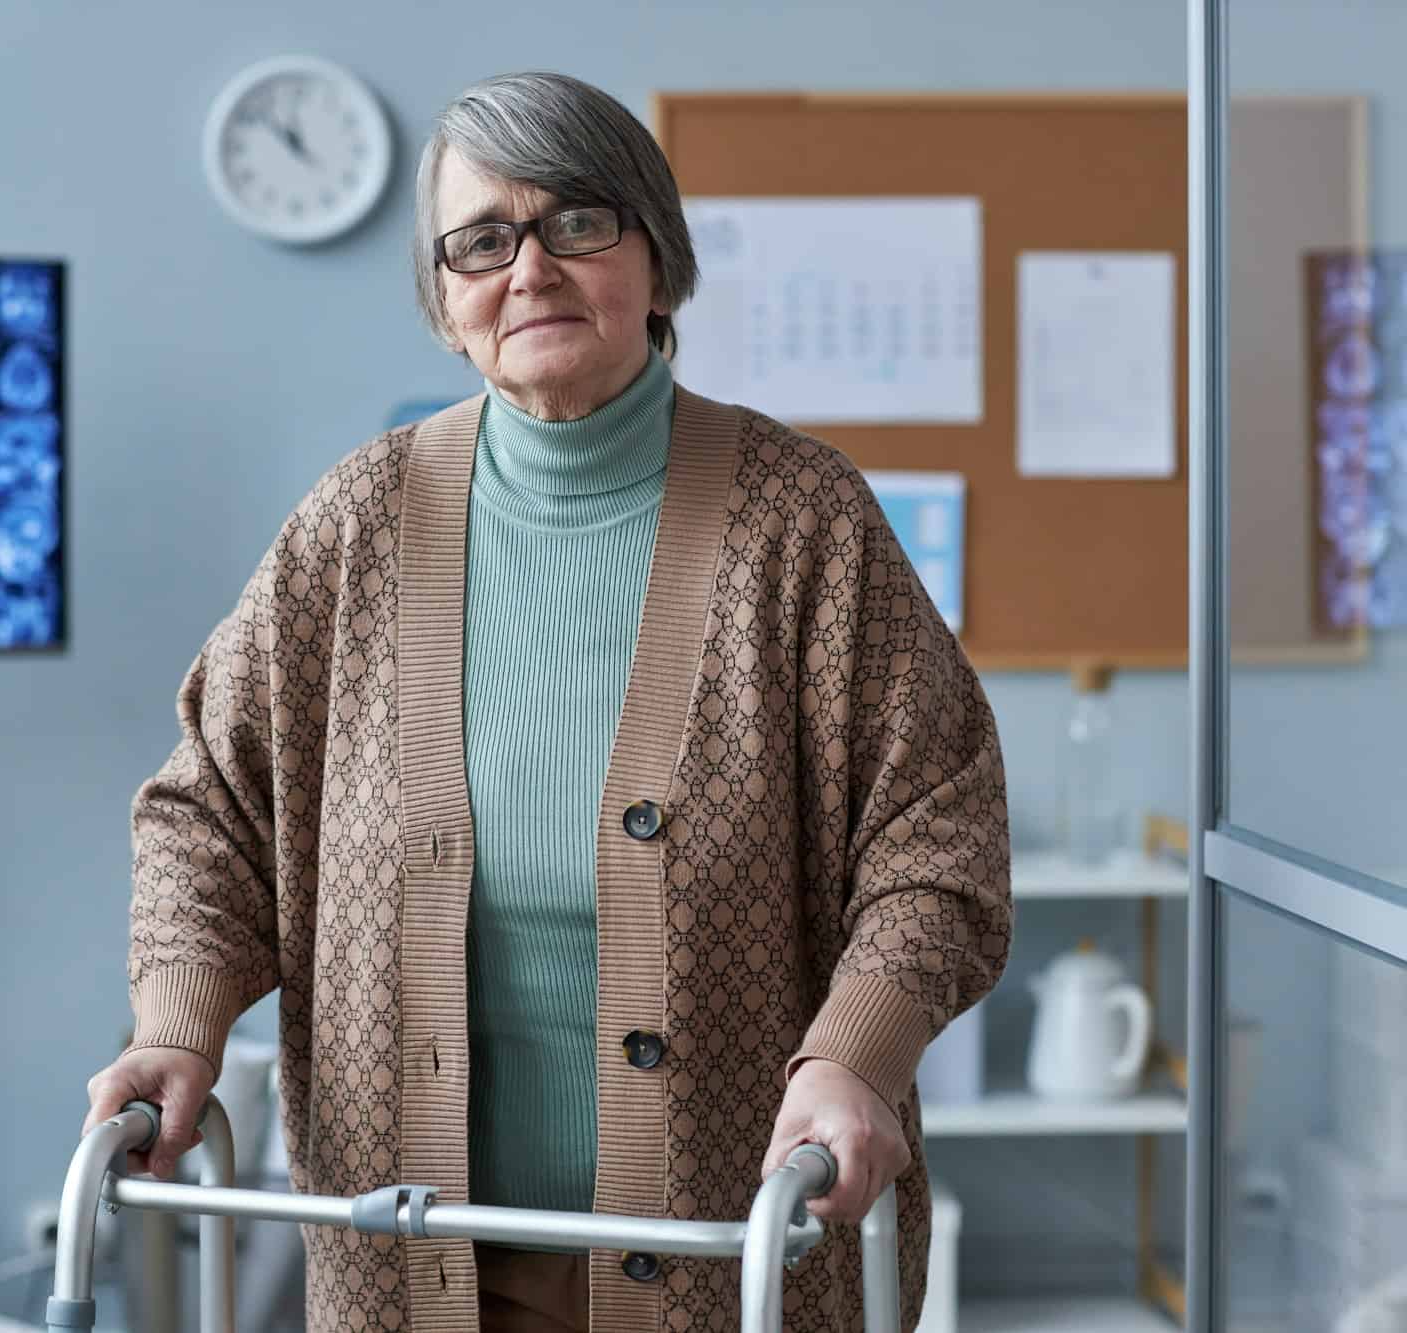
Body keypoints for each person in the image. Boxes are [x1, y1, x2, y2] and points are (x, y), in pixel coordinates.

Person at [84, 70, 1013, 1333]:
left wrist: (857, 1055)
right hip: (413, 1263)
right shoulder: (357, 524)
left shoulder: (803, 522)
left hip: (731, 1251)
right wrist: (177, 1028)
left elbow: (935, 842)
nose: (528, 269)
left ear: (655, 257)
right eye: (480, 241)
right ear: (444, 302)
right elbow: (209, 813)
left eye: (576, 221)